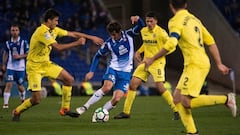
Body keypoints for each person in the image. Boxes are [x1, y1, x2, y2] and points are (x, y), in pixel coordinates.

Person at [144, 0, 237, 134]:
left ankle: (227, 99)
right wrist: (219, 63)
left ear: (171, 6)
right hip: (196, 63)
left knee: (186, 102)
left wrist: (152, 58)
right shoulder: (195, 20)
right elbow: (210, 41)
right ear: (186, 4)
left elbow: (171, 44)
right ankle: (192, 132)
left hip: (195, 64)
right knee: (176, 99)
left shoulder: (175, 21)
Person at [12, 8, 104, 121]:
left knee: (68, 79)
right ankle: (17, 111)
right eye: (55, 20)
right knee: (36, 100)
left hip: (46, 64)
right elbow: (58, 48)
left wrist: (91, 37)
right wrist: (77, 43)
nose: (57, 23)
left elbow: (72, 33)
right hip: (34, 67)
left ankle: (65, 109)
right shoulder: (42, 32)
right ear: (49, 20)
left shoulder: (54, 30)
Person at [75, 16, 145, 122]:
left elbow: (142, 26)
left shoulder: (129, 35)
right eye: (110, 34)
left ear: (119, 32)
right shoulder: (108, 43)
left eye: (114, 34)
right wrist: (91, 71)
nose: (112, 37)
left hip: (126, 74)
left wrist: (138, 18)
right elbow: (97, 55)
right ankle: (85, 107)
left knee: (116, 99)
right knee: (107, 87)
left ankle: (100, 113)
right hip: (113, 69)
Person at [114, 12, 179, 120]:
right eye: (147, 21)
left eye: (151, 21)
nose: (149, 23)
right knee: (133, 84)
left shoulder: (161, 33)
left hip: (158, 62)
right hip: (145, 62)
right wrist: (139, 51)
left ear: (156, 21)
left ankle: (176, 110)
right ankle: (126, 112)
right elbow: (147, 43)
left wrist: (157, 57)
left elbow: (172, 47)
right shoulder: (144, 31)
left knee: (160, 87)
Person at [2, 23, 29, 109]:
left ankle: (23, 98)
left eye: (16, 30)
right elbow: (5, 53)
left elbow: (28, 54)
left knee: (19, 86)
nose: (14, 32)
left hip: (20, 68)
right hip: (10, 67)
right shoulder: (7, 43)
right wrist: (3, 64)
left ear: (19, 31)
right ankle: (5, 104)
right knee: (8, 84)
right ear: (10, 31)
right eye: (13, 30)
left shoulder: (24, 42)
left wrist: (19, 56)